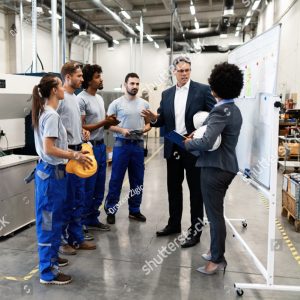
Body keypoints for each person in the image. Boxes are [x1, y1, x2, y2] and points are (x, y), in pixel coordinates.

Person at [142, 56, 216, 248]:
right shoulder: (166, 94)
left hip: (193, 148)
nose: (184, 73)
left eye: (187, 70)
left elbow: (214, 117)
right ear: (174, 72)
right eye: (181, 70)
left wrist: (200, 134)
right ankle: (174, 224)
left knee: (196, 191)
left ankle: (195, 231)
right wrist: (153, 118)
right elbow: (162, 121)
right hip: (174, 146)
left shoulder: (202, 90)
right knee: (173, 189)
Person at [184, 62, 244, 274]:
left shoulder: (220, 111)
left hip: (215, 168)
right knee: (215, 212)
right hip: (226, 166)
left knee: (214, 215)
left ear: (216, 86)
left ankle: (217, 260)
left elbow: (208, 142)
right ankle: (214, 251)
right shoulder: (233, 109)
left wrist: (187, 143)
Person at [32, 74, 92, 284]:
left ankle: (52, 258)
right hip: (50, 175)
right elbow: (49, 148)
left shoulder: (48, 113)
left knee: (54, 220)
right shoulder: (51, 115)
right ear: (53, 91)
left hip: (53, 174)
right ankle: (48, 273)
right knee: (48, 223)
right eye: (60, 86)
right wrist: (74, 155)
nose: (63, 89)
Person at [58, 62, 96, 255]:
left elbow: (70, 124)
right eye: (79, 76)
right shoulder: (60, 98)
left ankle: (76, 238)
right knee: (66, 201)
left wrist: (81, 133)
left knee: (78, 199)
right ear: (68, 77)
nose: (82, 79)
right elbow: (52, 127)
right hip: (67, 157)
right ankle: (62, 241)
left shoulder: (73, 98)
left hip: (78, 152)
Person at [78, 64, 119, 235]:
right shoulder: (81, 99)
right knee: (87, 186)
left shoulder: (100, 98)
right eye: (97, 76)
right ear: (88, 80)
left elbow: (100, 123)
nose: (101, 79)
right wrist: (104, 122)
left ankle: (93, 218)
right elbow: (82, 126)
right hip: (89, 148)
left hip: (101, 146)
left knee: (99, 186)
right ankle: (82, 222)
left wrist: (109, 122)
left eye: (100, 75)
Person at [104, 73, 151, 224]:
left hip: (137, 145)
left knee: (137, 180)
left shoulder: (144, 104)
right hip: (121, 144)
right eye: (132, 83)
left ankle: (135, 210)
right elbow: (108, 125)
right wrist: (121, 130)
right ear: (125, 85)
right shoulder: (116, 104)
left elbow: (149, 124)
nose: (135, 86)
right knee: (116, 179)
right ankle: (111, 209)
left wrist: (145, 129)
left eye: (137, 84)